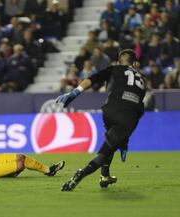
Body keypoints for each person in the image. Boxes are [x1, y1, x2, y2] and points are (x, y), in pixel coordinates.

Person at [56, 49, 146, 191]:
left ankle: (105, 175)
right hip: (126, 117)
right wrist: (125, 140)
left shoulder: (114, 68)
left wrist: (75, 92)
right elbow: (138, 109)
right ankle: (81, 173)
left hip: (109, 110)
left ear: (118, 61)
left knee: (111, 140)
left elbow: (92, 79)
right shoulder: (142, 80)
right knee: (107, 150)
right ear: (134, 63)